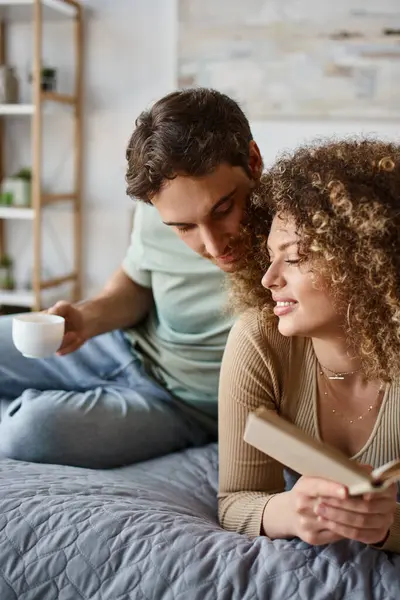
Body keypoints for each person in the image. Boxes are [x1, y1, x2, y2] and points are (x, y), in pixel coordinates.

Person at [0, 88, 262, 468]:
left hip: (182, 405)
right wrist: (87, 318)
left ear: (253, 161)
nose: (212, 244)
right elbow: (138, 284)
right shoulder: (159, 211)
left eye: (223, 209)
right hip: (119, 346)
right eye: (184, 227)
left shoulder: (300, 236)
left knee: (30, 431)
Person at [218, 138, 400, 553]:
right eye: (269, 257)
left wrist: (387, 526)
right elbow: (235, 500)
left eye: (295, 257)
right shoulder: (257, 340)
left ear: (367, 261)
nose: (268, 279)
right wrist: (291, 512)